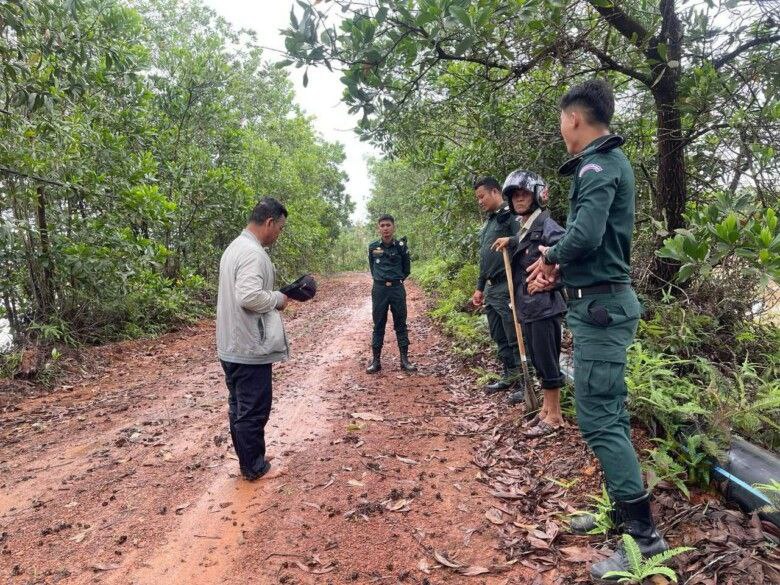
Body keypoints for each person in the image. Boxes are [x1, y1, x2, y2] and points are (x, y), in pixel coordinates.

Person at [527, 79, 668, 578]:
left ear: (573, 118)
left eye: (561, 121)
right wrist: (560, 270)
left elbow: (584, 235)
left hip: (603, 310)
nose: (561, 129)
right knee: (606, 413)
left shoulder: (596, 165)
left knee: (600, 417)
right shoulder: (603, 164)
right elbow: (595, 242)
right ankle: (619, 510)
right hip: (595, 306)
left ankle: (644, 537)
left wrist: (550, 256)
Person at [216, 197, 289, 481]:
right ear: (269, 222)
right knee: (253, 409)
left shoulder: (235, 247)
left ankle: (251, 459)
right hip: (247, 346)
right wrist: (278, 299)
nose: (278, 234)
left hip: (231, 343)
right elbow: (249, 296)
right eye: (280, 228)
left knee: (240, 407)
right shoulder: (252, 253)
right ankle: (254, 469)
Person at [491, 170, 567, 435]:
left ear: (537, 195)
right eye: (514, 195)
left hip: (544, 306)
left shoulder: (548, 224)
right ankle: (545, 410)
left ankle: (555, 416)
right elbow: (527, 243)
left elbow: (569, 253)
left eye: (524, 194)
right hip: (530, 307)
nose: (519, 199)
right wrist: (511, 241)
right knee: (538, 358)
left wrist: (552, 282)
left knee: (547, 360)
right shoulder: (527, 227)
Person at [472, 177, 522, 394]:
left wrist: (511, 240)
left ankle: (524, 382)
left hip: (507, 284)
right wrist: (479, 287)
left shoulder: (510, 215)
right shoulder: (490, 222)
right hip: (491, 288)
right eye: (477, 198)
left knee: (514, 335)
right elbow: (485, 258)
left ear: (495, 192)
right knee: (498, 335)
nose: (480, 201)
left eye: (482, 196)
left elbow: (524, 238)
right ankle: (509, 376)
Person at [365, 214, 417, 373]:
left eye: (388, 225)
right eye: (382, 225)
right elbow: (372, 267)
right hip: (379, 290)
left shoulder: (401, 246)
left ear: (393, 227)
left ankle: (404, 360)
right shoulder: (373, 247)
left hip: (396, 289)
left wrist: (395, 280)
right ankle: (376, 361)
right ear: (378, 228)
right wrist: (381, 279)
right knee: (378, 324)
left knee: (401, 323)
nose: (385, 228)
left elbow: (407, 269)